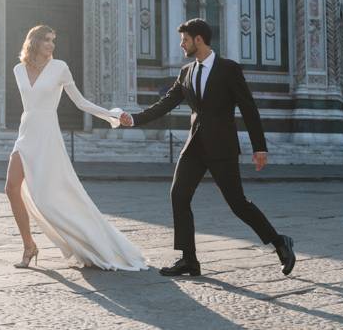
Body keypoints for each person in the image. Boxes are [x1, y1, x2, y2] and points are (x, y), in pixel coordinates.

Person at [120, 18, 295, 277]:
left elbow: (248, 108)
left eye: (185, 40)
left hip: (222, 147)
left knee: (238, 204)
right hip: (194, 147)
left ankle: (280, 242)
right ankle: (189, 259)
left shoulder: (229, 69)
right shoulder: (186, 72)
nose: (181, 45)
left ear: (198, 39)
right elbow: (166, 103)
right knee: (178, 195)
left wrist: (260, 147)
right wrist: (134, 119)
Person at [5, 25, 147, 271]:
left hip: (48, 135)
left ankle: (89, 239)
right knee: (10, 187)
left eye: (53, 40)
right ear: (34, 42)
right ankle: (29, 245)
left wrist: (113, 115)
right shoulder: (19, 70)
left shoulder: (60, 68)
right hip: (27, 132)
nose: (51, 44)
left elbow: (81, 103)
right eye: (46, 40)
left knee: (49, 199)